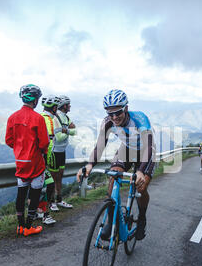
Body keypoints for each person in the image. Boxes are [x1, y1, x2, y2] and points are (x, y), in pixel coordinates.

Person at [76, 89, 156, 241]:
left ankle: (142, 218)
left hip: (146, 151)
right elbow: (99, 146)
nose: (114, 117)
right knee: (113, 176)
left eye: (117, 112)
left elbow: (149, 147)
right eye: (109, 113)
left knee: (141, 186)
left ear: (126, 108)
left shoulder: (139, 119)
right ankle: (111, 222)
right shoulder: (107, 123)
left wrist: (140, 171)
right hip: (127, 149)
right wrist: (89, 165)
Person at [5, 84, 49, 236]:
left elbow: (9, 140)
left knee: (21, 194)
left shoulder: (12, 117)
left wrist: (19, 148)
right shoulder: (38, 118)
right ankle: (29, 227)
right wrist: (40, 152)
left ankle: (20, 226)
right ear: (35, 100)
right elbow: (44, 143)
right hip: (36, 162)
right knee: (35, 194)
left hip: (20, 162)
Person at [39, 95, 62, 224]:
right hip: (42, 160)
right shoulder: (48, 120)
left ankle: (38, 211)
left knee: (40, 187)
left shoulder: (41, 117)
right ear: (53, 107)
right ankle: (44, 214)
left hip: (38, 159)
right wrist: (46, 159)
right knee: (48, 185)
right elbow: (46, 142)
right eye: (56, 107)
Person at [50, 95, 76, 210]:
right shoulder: (56, 118)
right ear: (64, 105)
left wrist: (65, 130)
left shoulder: (66, 117)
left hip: (62, 151)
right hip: (54, 152)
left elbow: (75, 131)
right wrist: (67, 130)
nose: (70, 106)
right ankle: (51, 202)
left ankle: (59, 199)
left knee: (60, 176)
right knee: (53, 178)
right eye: (69, 104)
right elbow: (59, 137)